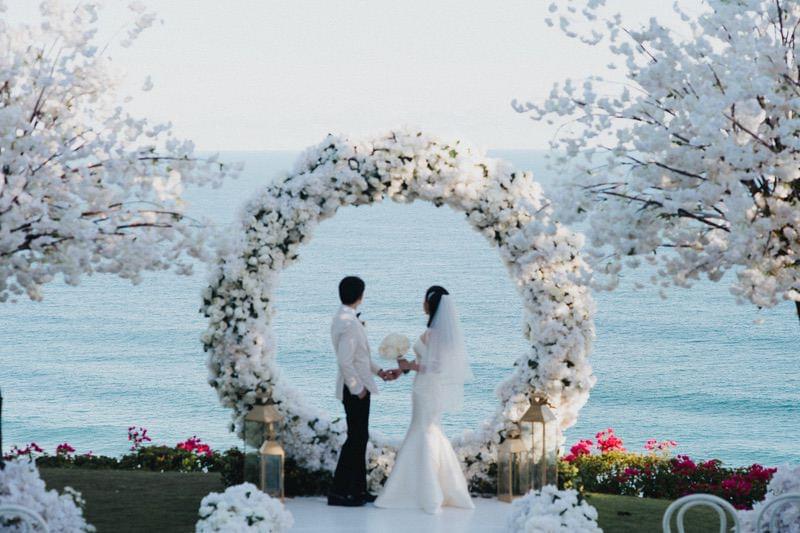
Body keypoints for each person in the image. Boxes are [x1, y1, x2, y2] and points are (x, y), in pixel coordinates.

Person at [374, 285, 475, 514]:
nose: (422, 303)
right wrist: (404, 368)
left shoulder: (436, 334)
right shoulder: (435, 331)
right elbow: (426, 362)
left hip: (428, 389)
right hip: (423, 387)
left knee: (425, 431)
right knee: (427, 431)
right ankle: (432, 487)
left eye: (424, 300)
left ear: (430, 304)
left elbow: (437, 366)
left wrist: (411, 365)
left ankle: (426, 492)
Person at [328, 276, 400, 507]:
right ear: (360, 295)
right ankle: (340, 492)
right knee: (355, 439)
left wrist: (379, 372)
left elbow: (361, 358)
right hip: (355, 390)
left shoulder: (346, 318)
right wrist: (357, 388)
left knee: (359, 438)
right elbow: (345, 361)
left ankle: (357, 490)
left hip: (359, 385)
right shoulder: (348, 323)